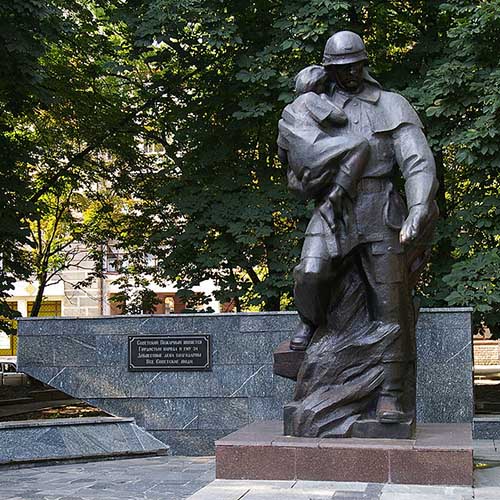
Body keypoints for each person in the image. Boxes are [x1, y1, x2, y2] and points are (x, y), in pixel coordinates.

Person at [280, 31, 438, 423]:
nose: (348, 74)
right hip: (333, 207)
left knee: (392, 307)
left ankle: (390, 394)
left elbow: (417, 160)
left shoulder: (390, 104)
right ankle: (311, 322)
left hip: (381, 208)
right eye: (339, 68)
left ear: (364, 64)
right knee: (309, 273)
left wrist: (419, 205)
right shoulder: (314, 105)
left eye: (354, 66)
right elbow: (297, 158)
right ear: (329, 69)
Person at [278, 65, 369, 237]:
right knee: (360, 144)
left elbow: (282, 155)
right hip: (315, 149)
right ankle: (336, 193)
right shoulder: (310, 99)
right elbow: (340, 118)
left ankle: (329, 202)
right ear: (316, 85)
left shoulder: (287, 111)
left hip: (300, 166)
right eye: (323, 85)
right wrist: (325, 99)